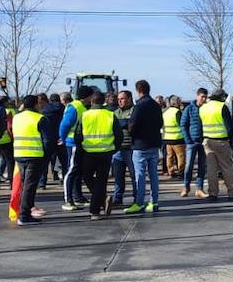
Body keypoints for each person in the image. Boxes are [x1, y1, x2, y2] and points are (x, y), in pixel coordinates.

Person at [12, 95, 56, 226]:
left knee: (25, 184)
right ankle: (24, 215)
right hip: (35, 155)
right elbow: (48, 141)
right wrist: (46, 156)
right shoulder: (40, 118)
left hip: (19, 154)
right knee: (29, 186)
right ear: (36, 104)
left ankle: (26, 210)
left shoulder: (16, 117)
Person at [78, 91, 118, 220]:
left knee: (87, 177)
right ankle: (98, 205)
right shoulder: (110, 115)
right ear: (103, 101)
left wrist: (81, 148)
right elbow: (119, 135)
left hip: (88, 152)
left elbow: (78, 135)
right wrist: (113, 149)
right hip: (106, 153)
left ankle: (95, 209)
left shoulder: (84, 115)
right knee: (101, 182)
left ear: (91, 101)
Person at [125, 80, 164, 214]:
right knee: (154, 175)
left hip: (140, 144)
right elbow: (160, 123)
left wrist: (132, 133)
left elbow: (132, 125)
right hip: (154, 144)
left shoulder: (139, 106)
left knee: (140, 175)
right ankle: (154, 202)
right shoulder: (156, 105)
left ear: (138, 90)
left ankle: (139, 202)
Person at [201, 88, 233, 201]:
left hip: (207, 141)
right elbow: (229, 127)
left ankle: (213, 192)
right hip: (221, 141)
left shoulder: (203, 107)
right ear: (222, 97)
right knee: (227, 167)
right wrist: (231, 141)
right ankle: (232, 192)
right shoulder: (222, 107)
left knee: (211, 169)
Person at [58, 87, 92, 210]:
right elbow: (65, 125)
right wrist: (62, 138)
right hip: (73, 143)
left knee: (78, 171)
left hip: (80, 143)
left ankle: (78, 197)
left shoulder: (82, 107)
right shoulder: (74, 107)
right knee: (71, 171)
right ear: (86, 97)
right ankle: (68, 200)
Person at [179, 88, 209, 198]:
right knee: (188, 166)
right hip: (192, 142)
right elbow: (183, 124)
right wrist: (188, 140)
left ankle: (199, 189)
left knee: (202, 166)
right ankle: (186, 187)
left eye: (205, 97)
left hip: (204, 141)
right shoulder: (189, 109)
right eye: (202, 97)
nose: (204, 99)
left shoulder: (207, 108)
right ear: (197, 96)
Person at [162, 95, 186, 179]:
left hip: (167, 137)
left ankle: (170, 171)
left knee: (169, 156)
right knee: (181, 156)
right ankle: (180, 172)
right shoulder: (177, 112)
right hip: (177, 137)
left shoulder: (165, 111)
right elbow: (181, 124)